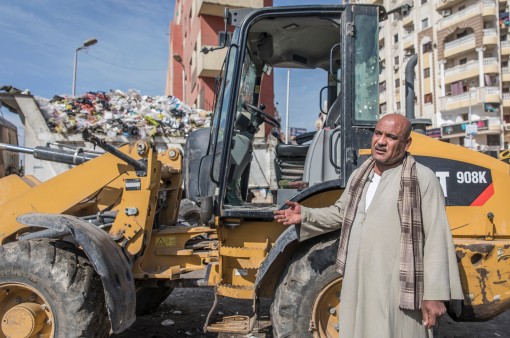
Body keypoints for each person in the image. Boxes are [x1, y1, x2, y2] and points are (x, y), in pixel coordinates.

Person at [274, 114, 463, 338]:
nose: (381, 141)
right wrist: (304, 215)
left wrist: (434, 294)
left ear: (407, 143)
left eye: (391, 137)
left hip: (395, 290)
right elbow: (341, 213)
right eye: (378, 133)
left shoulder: (423, 179)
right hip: (358, 283)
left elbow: (436, 238)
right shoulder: (360, 175)